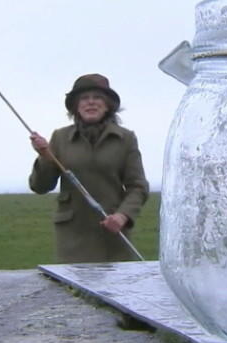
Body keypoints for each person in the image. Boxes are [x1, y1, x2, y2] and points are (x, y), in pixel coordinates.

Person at [29, 73, 150, 263]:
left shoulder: (126, 139)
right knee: (73, 292)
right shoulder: (60, 138)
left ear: (108, 105)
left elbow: (138, 187)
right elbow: (40, 186)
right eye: (84, 98)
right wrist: (45, 156)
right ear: (76, 106)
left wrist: (122, 216)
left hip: (113, 237)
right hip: (73, 241)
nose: (91, 103)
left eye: (98, 98)